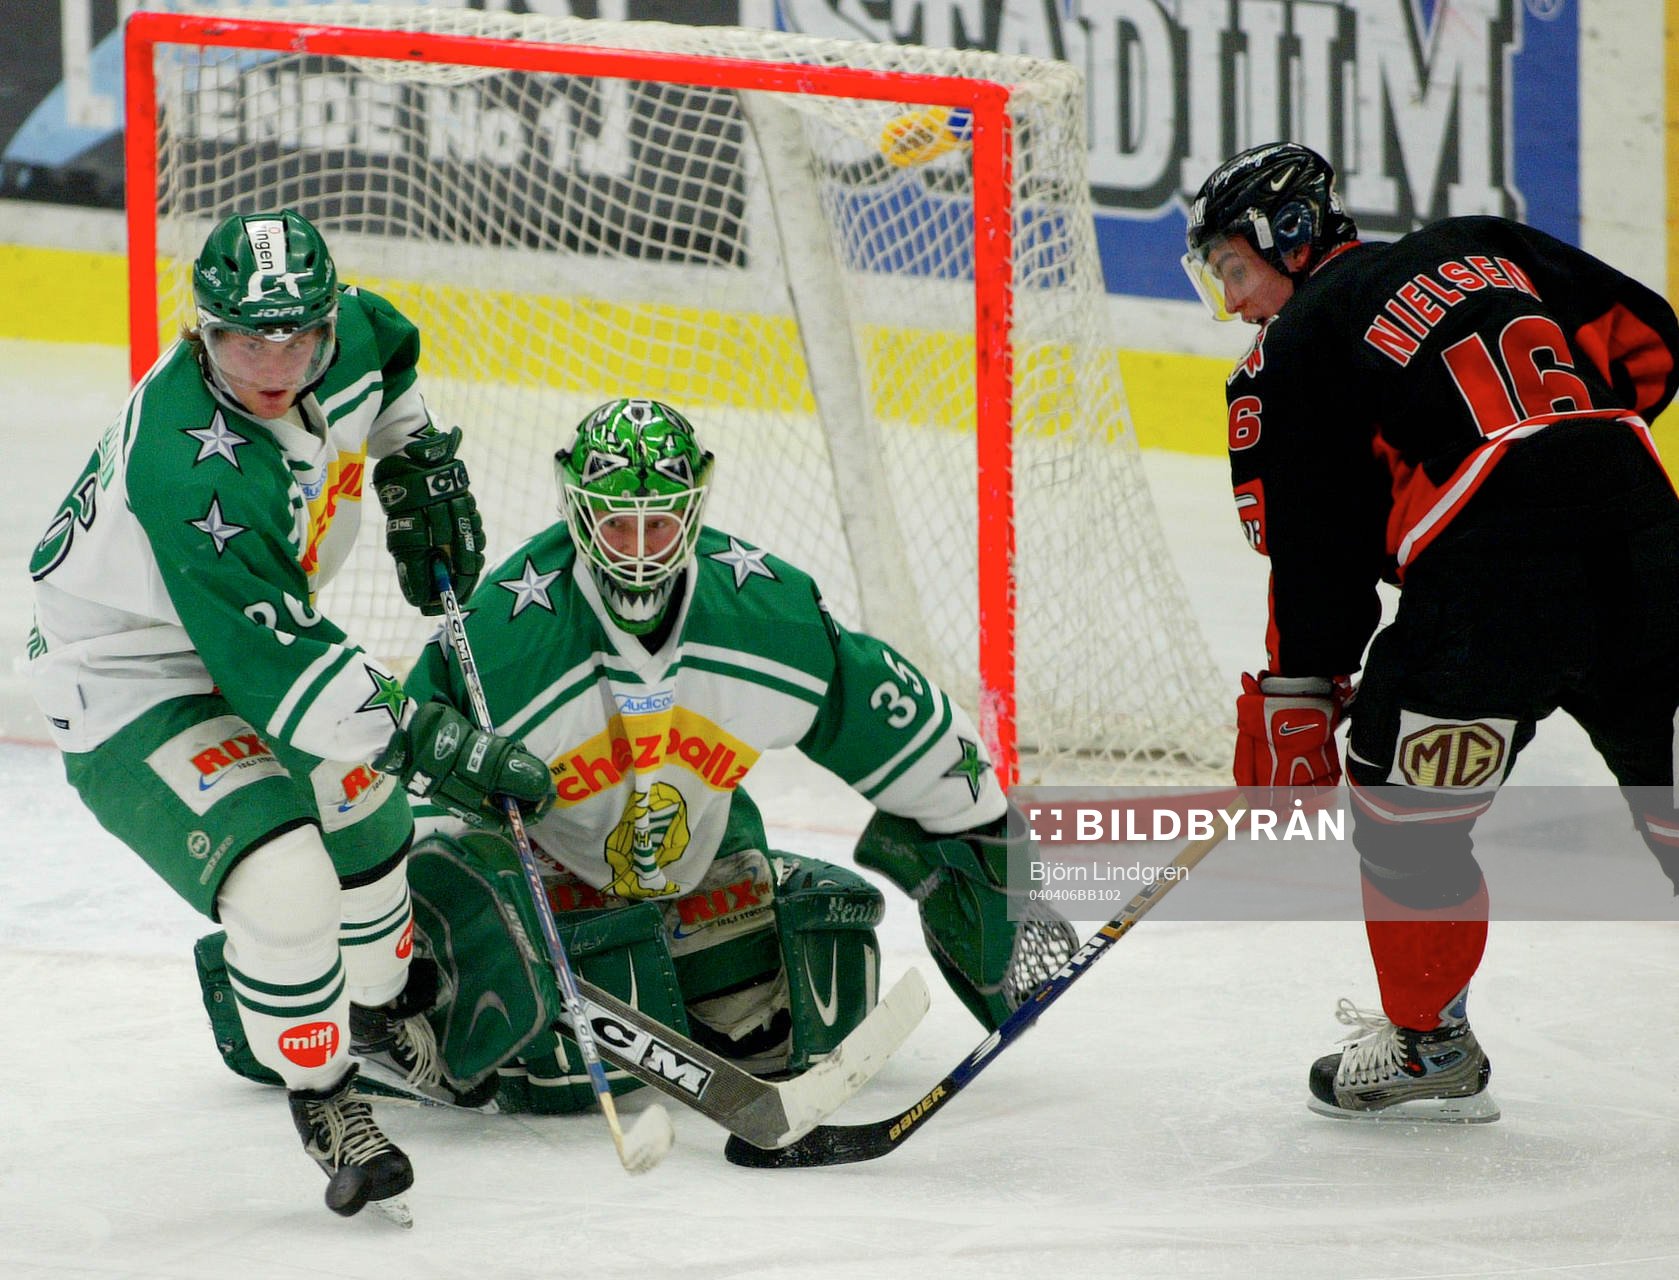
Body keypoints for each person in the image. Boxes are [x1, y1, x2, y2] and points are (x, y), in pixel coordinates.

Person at [25, 209, 553, 1219]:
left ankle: (382, 1009)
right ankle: (324, 1094)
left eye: (295, 341)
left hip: (251, 636)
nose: (272, 368)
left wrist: (411, 459)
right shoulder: (193, 473)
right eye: (242, 344)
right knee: (286, 883)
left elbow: (390, 360)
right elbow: (291, 675)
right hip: (132, 681)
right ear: (201, 330)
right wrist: (432, 738)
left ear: (325, 323)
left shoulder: (350, 331)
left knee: (370, 820)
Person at [378, 397, 1078, 1108]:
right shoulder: (501, 643)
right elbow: (397, 763)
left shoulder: (763, 615)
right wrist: (428, 922)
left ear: (695, 508)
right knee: (561, 1077)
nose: (640, 550)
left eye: (660, 523)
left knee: (794, 1016)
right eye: (619, 524)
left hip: (697, 859)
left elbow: (876, 709)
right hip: (550, 881)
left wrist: (979, 825)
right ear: (578, 509)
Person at [1182, 143, 1679, 1121]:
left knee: (1403, 806)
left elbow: (1313, 543)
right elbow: (1649, 342)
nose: (1233, 303)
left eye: (1233, 270)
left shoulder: (1291, 347)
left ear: (1288, 237)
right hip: (1645, 529)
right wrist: (1565, 461)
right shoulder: (1484, 243)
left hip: (1493, 584)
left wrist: (1300, 686)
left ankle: (1428, 1044)